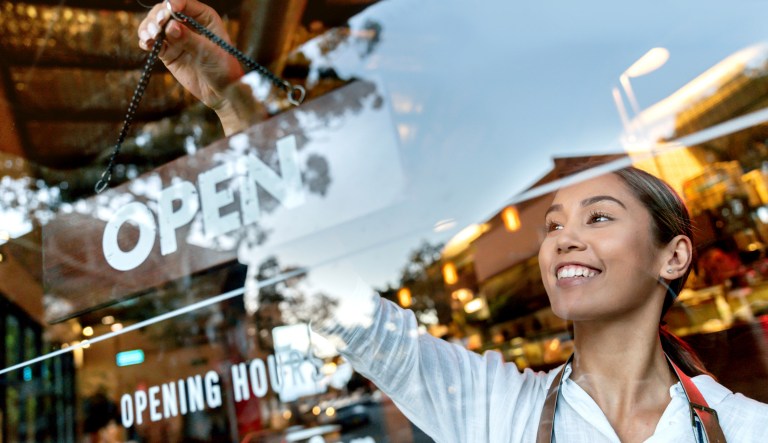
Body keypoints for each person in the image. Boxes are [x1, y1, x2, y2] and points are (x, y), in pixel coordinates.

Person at [138, 2, 768, 441]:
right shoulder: (494, 409)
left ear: (675, 257)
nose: (563, 238)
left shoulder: (748, 429)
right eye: (551, 225)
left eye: (598, 216)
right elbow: (325, 290)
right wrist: (233, 102)